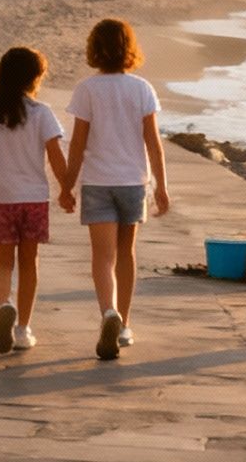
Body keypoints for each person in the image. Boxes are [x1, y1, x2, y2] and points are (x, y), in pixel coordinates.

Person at [59, 19, 170, 361]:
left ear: (94, 49)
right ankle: (124, 325)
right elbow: (154, 144)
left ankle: (108, 312)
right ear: (129, 49)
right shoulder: (142, 89)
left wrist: (67, 185)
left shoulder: (87, 90)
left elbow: (77, 145)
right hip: (133, 182)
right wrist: (162, 187)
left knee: (102, 257)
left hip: (97, 182)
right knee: (127, 255)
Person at [0, 46, 69, 355]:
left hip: (0, 198)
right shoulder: (42, 114)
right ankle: (23, 328)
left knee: (2, 262)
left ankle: (4, 305)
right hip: (34, 199)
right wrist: (66, 189)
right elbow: (56, 157)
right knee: (29, 263)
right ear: (34, 78)